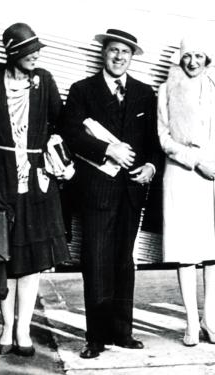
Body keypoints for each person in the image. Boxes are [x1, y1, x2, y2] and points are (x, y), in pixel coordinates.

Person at [59, 28, 161, 359]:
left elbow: (154, 142)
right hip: (97, 191)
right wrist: (108, 149)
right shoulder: (82, 90)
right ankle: (96, 337)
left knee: (123, 261)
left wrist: (150, 167)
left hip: (131, 191)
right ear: (104, 53)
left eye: (125, 52)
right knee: (97, 261)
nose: (119, 57)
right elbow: (70, 134)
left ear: (132, 57)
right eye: (114, 50)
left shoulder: (146, 94)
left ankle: (122, 332)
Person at [0, 23, 70, 356]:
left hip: (37, 179)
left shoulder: (45, 80)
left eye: (36, 50)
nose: (35, 55)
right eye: (27, 50)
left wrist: (53, 147)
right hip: (1, 176)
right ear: (12, 53)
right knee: (7, 255)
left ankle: (23, 331)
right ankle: (6, 329)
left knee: (32, 260)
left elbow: (59, 122)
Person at [157, 36, 215, 346]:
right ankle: (191, 323)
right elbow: (164, 138)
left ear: (208, 57)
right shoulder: (167, 89)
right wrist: (197, 161)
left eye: (198, 55)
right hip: (184, 172)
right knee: (187, 249)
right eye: (187, 56)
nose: (192, 61)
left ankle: (210, 319)